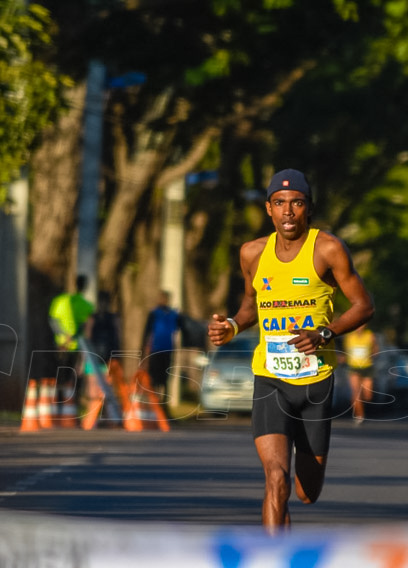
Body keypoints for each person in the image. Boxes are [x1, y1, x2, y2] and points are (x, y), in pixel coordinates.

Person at [207, 169, 374, 532]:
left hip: (315, 383)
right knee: (275, 479)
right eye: (280, 203)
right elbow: (251, 305)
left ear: (308, 208)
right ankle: (274, 561)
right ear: (268, 209)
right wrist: (232, 326)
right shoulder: (252, 253)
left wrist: (324, 334)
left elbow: (363, 305)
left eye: (296, 203)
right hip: (271, 380)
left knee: (305, 491)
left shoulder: (327, 248)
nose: (288, 212)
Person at [142, 290, 182, 400]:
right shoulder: (154, 314)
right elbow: (147, 332)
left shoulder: (174, 315)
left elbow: (180, 328)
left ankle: (164, 403)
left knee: (165, 378)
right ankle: (154, 401)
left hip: (167, 349)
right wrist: (145, 349)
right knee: (154, 377)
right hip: (155, 349)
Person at [341, 323, 380, 424]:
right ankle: (359, 415)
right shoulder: (349, 337)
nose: (359, 327)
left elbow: (376, 349)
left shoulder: (369, 335)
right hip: (353, 367)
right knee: (356, 392)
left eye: (361, 325)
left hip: (367, 367)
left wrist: (373, 354)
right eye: (357, 325)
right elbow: (345, 351)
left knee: (368, 395)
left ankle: (359, 404)